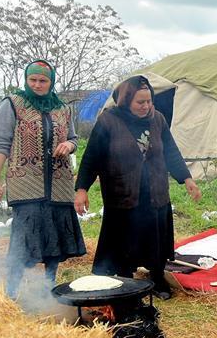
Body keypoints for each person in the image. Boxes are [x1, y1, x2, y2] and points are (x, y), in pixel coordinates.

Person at [74, 75, 201, 300]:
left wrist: (187, 179)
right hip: (121, 192)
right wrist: (82, 189)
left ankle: (157, 278)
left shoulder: (157, 119)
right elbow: (92, 156)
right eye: (140, 102)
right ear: (126, 101)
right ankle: (126, 281)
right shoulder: (109, 121)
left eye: (149, 101)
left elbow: (171, 151)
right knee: (124, 239)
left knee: (155, 237)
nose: (146, 106)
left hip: (155, 191)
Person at [0, 60, 86, 298]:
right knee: (24, 241)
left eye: (43, 81)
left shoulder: (62, 108)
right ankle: (10, 293)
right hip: (26, 186)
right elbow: (1, 142)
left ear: (51, 82)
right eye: (33, 80)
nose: (37, 85)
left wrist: (68, 145)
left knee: (55, 242)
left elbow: (74, 138)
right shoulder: (12, 104)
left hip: (59, 185)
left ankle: (48, 288)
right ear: (26, 79)